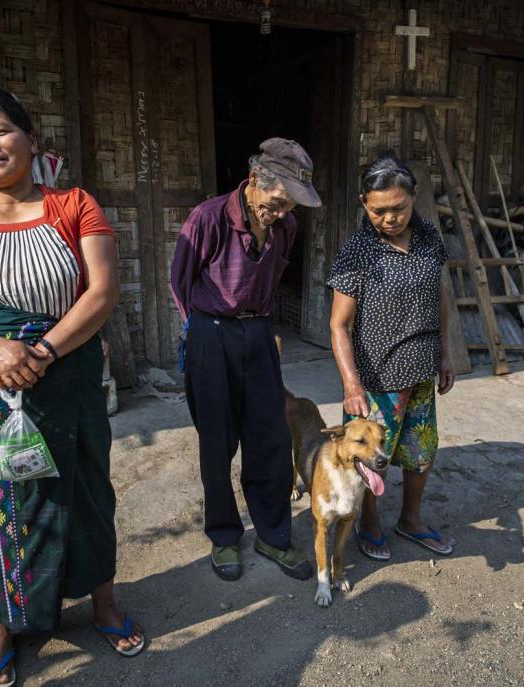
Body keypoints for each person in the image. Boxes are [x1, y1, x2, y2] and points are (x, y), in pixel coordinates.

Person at [0, 87, 143, 686]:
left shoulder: (75, 206)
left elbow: (101, 294)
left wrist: (40, 351)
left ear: (30, 139)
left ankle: (103, 605)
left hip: (65, 368)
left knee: (85, 485)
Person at [170, 138, 322, 582]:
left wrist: (260, 328)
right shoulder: (208, 217)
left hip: (258, 331)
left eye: (291, 206)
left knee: (271, 436)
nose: (281, 213)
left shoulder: (285, 228)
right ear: (255, 180)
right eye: (277, 202)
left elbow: (272, 278)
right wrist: (202, 336)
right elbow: (181, 282)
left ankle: (273, 535)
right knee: (217, 441)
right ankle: (223, 535)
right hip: (210, 332)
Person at [327, 154, 457, 562]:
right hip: (376, 379)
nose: (389, 218)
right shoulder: (357, 253)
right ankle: (369, 522)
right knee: (371, 458)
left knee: (421, 451)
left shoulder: (428, 239)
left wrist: (446, 354)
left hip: (421, 370)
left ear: (414, 197)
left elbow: (440, 298)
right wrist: (351, 384)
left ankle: (411, 520)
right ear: (363, 202)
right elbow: (338, 326)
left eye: (399, 208)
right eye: (378, 210)